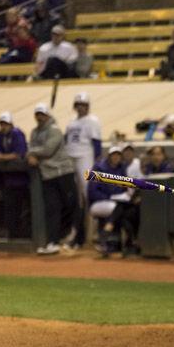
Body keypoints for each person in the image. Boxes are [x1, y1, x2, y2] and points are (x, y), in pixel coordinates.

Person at [27, 103, 77, 255]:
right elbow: (31, 148)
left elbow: (48, 150)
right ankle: (53, 242)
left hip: (63, 172)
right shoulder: (34, 132)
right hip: (48, 175)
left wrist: (32, 153)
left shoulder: (55, 130)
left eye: (42, 114)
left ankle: (73, 240)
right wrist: (32, 153)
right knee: (52, 209)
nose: (40, 117)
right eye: (38, 114)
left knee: (70, 206)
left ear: (48, 115)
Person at [64, 92, 102, 250]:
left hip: (85, 158)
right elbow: (65, 141)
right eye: (78, 104)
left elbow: (97, 144)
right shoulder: (71, 122)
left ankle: (95, 234)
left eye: (83, 105)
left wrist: (96, 163)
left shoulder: (92, 121)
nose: (81, 107)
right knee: (74, 198)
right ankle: (76, 234)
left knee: (89, 194)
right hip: (70, 158)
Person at [0, 112, 30, 239]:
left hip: (21, 180)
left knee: (21, 210)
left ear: (11, 124)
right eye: (1, 124)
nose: (3, 126)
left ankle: (22, 238)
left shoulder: (17, 134)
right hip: (7, 180)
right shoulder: (0, 135)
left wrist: (0, 157)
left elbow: (19, 154)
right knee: (9, 210)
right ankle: (12, 237)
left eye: (5, 124)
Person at [87, 146, 131, 256]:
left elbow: (125, 188)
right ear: (109, 156)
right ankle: (114, 242)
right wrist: (110, 197)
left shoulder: (122, 169)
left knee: (124, 210)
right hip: (98, 203)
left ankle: (109, 242)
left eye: (118, 155)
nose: (116, 157)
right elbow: (92, 192)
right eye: (113, 155)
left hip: (116, 202)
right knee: (117, 209)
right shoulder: (99, 168)